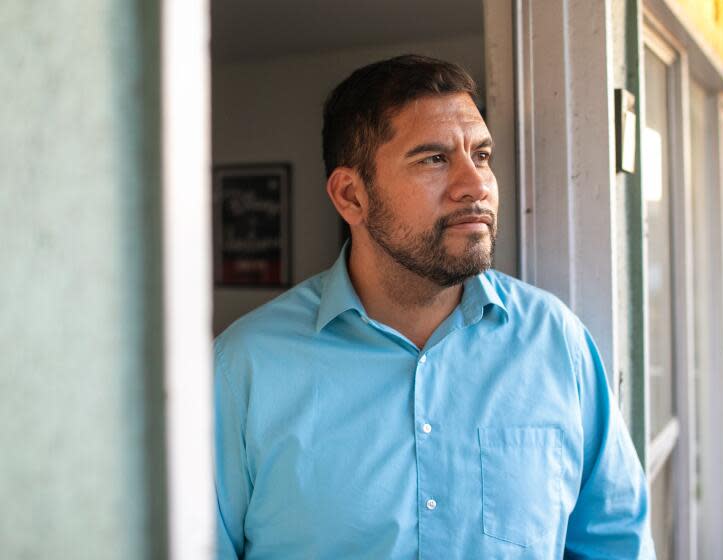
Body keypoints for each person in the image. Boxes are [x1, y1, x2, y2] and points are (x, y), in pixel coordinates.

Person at [214, 54, 655, 559]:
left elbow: (615, 547)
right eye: (434, 159)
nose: (476, 185)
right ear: (350, 196)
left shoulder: (556, 342)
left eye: (482, 155)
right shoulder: (242, 368)